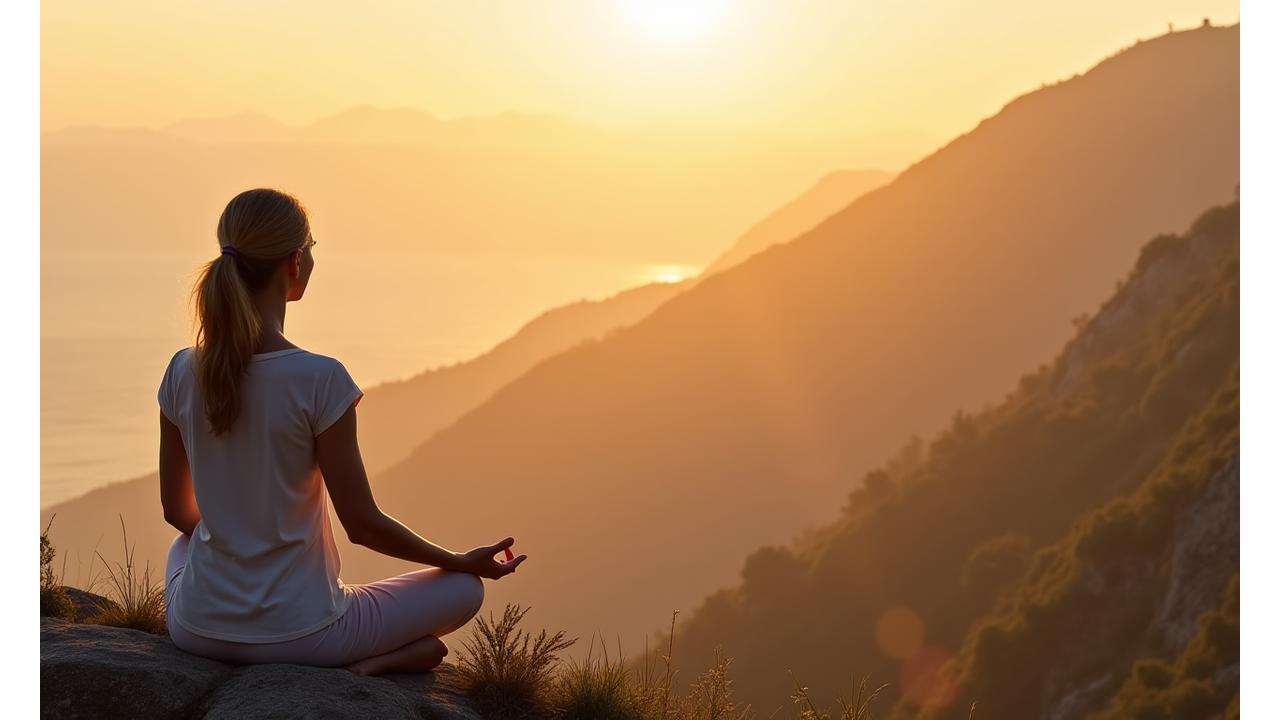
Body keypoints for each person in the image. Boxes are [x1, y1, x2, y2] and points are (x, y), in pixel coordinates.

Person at [157, 187, 527, 675]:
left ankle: (361, 651)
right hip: (307, 637)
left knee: (185, 545)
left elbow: (176, 512)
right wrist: (460, 560)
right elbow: (362, 524)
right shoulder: (320, 379)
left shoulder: (184, 369)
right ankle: (370, 666)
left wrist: (239, 543)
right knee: (464, 590)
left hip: (197, 630)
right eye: (311, 247)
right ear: (294, 261)